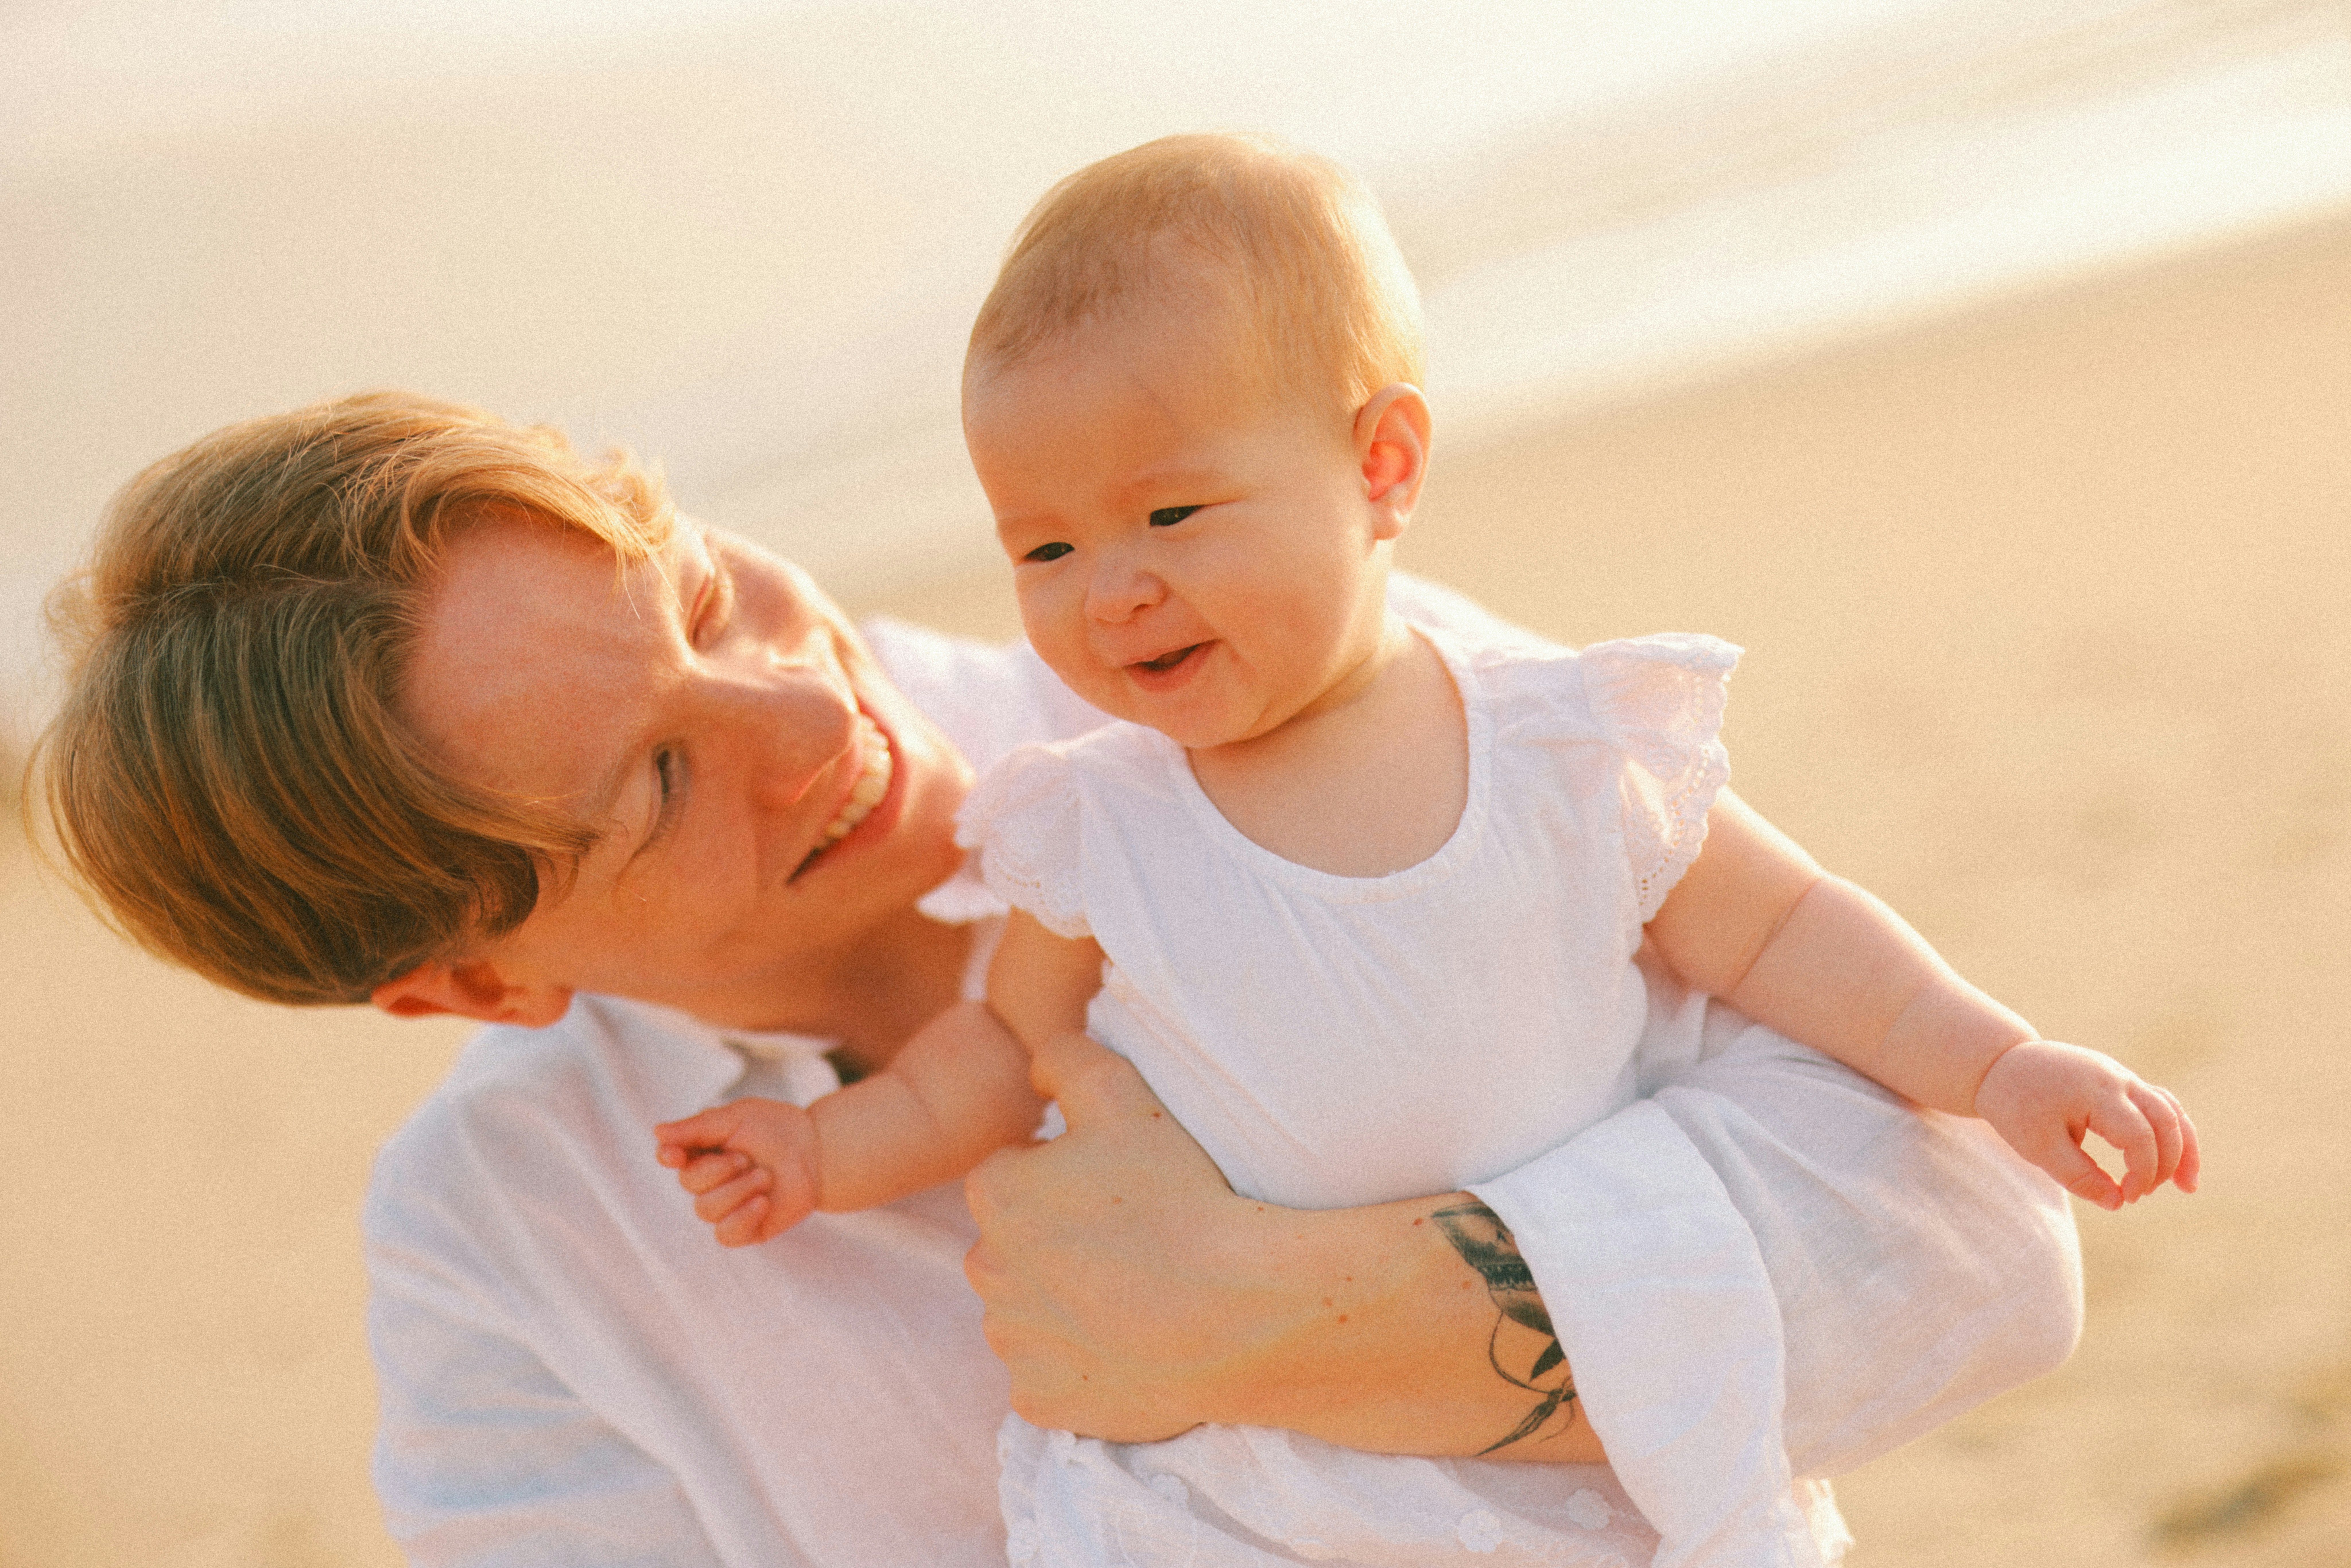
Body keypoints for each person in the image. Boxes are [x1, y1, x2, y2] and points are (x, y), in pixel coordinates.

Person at [36, 377, 2089, 1568]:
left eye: (704, 587)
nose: (798, 709)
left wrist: (1280, 1321)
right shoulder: (507, 1246)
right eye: (659, 779)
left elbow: (1982, 1247)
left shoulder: (1272, 690)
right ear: (470, 988)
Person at [647, 136, 2196, 1565]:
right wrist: (824, 1154)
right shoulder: (1101, 819)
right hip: (1252, 1484)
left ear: (1382, 467)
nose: (1108, 588)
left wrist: (1994, 1068)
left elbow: (1786, 932)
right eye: (1043, 546)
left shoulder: (1562, 748)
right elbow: (999, 1049)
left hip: (1588, 1446)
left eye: (1172, 513)